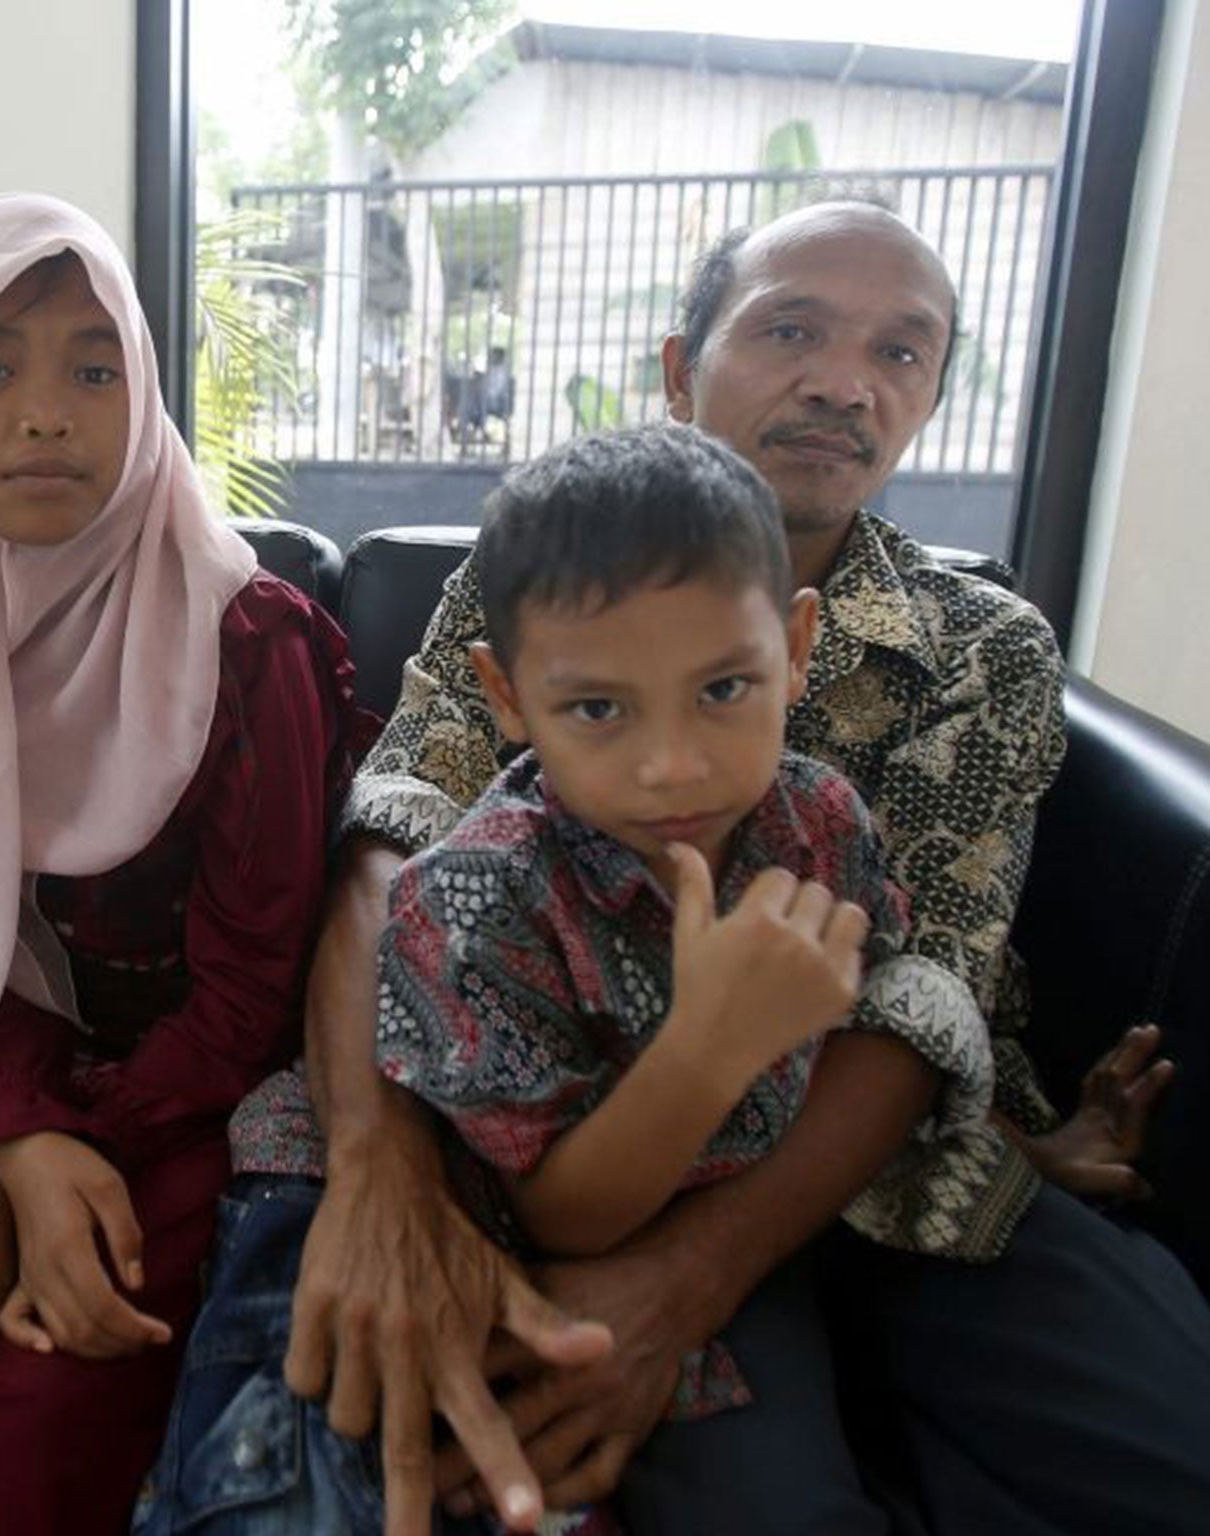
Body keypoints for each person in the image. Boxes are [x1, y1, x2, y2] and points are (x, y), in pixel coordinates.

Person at [149, 200, 1210, 1536]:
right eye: (793, 330)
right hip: (567, 1134)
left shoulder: (977, 647)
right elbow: (395, 840)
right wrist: (380, 1164)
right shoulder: (545, 567)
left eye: (903, 352)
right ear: (677, 367)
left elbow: (924, 993)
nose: (845, 381)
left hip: (894, 1165)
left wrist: (678, 1287)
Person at [0, 194, 374, 1535]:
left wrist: (54, 1158)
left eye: (92, 365)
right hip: (17, 1085)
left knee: (49, 1370)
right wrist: (18, 1135)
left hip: (214, 1103)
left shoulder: (249, 639)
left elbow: (249, 996)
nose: (46, 412)